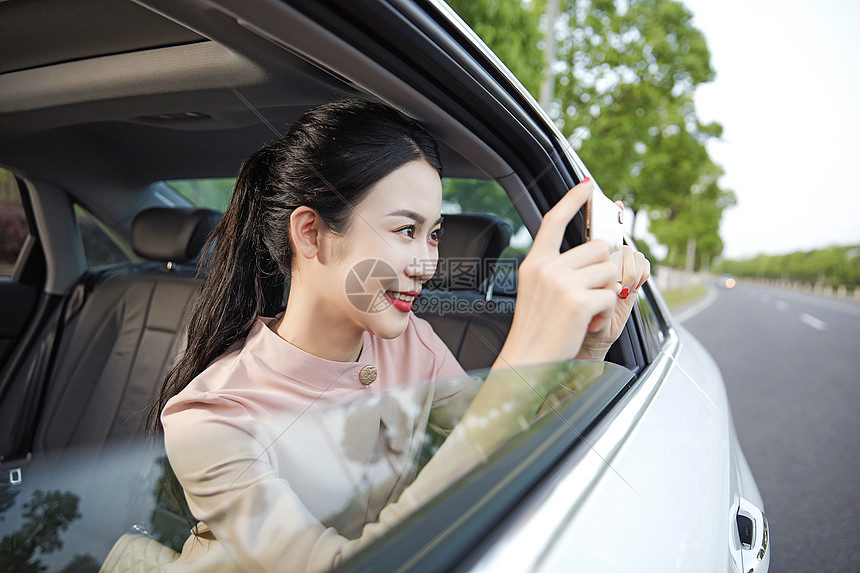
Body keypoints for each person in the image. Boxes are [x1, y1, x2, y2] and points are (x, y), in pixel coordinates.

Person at [150, 98, 649, 572]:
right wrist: (522, 351)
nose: (428, 263)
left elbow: (504, 440)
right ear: (310, 234)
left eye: (434, 234)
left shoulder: (411, 342)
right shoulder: (210, 417)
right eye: (405, 231)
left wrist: (587, 347)